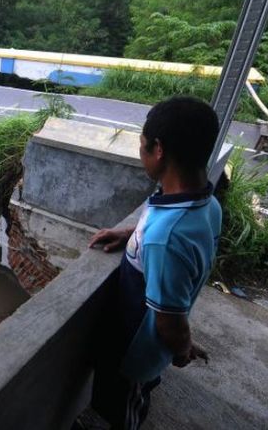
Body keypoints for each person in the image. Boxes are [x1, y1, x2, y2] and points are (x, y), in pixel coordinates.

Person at [87, 96, 221, 430]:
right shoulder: (205, 204)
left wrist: (182, 349)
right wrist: (132, 234)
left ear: (158, 150)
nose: (141, 153)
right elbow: (166, 234)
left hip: (136, 356)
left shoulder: (166, 238)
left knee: (126, 413)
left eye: (143, 146)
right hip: (134, 341)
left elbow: (170, 322)